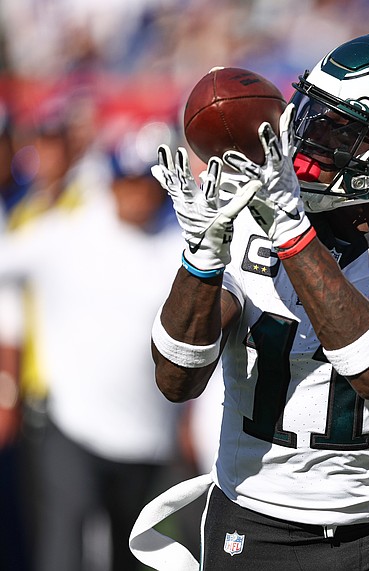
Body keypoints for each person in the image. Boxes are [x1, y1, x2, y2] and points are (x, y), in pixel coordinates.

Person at [129, 33, 369, 571]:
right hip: (251, 524)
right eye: (307, 114)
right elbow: (177, 378)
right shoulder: (258, 206)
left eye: (334, 130)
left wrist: (292, 233)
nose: (302, 141)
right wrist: (201, 257)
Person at [0, 133, 184, 571]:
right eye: (127, 182)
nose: (136, 194)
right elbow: (7, 266)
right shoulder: (70, 231)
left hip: (151, 435)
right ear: (111, 183)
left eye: (146, 183)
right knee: (65, 547)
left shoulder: (181, 242)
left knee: (135, 555)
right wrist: (8, 377)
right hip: (72, 424)